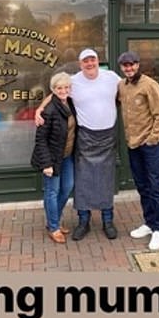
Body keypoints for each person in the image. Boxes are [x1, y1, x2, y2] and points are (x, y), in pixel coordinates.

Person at [36, 48, 121, 241]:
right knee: (82, 181)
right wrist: (39, 109)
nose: (90, 64)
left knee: (106, 180)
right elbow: (55, 93)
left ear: (98, 61)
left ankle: (108, 220)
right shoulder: (73, 81)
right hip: (85, 137)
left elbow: (128, 93)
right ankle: (84, 221)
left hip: (108, 137)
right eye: (86, 61)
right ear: (80, 63)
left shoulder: (112, 77)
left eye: (93, 60)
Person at [117, 50, 159, 251]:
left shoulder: (149, 85)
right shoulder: (122, 86)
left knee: (155, 185)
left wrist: (153, 138)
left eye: (132, 64)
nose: (129, 68)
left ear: (138, 65)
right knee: (142, 185)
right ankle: (149, 222)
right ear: (121, 67)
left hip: (150, 145)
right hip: (133, 144)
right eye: (125, 65)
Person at [30, 72, 77, 244]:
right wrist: (46, 164)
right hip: (52, 158)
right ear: (53, 90)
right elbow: (40, 139)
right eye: (59, 88)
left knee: (67, 187)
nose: (63, 90)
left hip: (67, 156)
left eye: (66, 87)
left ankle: (53, 220)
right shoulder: (49, 111)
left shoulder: (70, 103)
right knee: (52, 192)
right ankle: (54, 227)